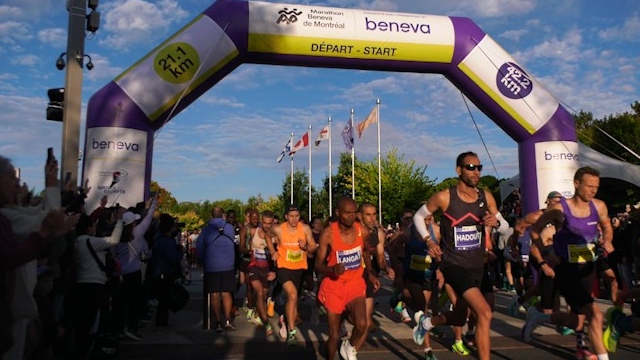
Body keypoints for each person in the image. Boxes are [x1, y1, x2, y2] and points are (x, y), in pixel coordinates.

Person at [411, 151, 508, 360]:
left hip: (477, 265)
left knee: (460, 316)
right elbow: (419, 217)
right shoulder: (445, 197)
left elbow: (506, 226)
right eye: (470, 167)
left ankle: (427, 323)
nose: (476, 172)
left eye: (479, 168)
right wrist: (428, 240)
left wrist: (497, 223)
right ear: (459, 170)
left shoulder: (486, 196)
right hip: (453, 264)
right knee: (484, 313)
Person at [527, 166, 614, 359]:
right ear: (576, 184)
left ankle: (540, 316)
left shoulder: (599, 206)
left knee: (576, 319)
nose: (593, 190)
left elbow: (607, 226)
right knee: (595, 315)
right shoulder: (559, 209)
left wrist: (607, 240)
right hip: (566, 268)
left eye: (596, 187)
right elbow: (535, 229)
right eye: (589, 186)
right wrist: (545, 251)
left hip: (587, 266)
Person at [315, 196, 379, 360]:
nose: (351, 216)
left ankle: (349, 346)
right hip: (334, 286)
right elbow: (318, 265)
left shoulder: (362, 232)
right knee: (335, 334)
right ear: (338, 213)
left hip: (355, 284)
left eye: (354, 213)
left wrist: (370, 273)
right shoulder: (328, 234)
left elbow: (365, 253)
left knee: (362, 324)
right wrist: (332, 269)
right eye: (347, 213)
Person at [71, 209, 125, 359]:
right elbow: (114, 240)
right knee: (95, 322)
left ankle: (82, 349)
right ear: (88, 228)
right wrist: (119, 221)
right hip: (95, 285)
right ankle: (91, 350)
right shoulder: (90, 241)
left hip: (80, 284)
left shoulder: (75, 242)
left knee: (82, 322)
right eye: (93, 226)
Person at [265, 204, 317, 345]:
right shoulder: (279, 229)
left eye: (297, 216)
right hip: (283, 268)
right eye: (291, 216)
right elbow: (267, 236)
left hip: (299, 269)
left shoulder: (305, 229)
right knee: (292, 294)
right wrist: (273, 252)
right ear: (286, 217)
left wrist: (305, 247)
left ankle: (284, 319)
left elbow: (313, 246)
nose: (294, 219)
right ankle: (291, 331)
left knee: (293, 299)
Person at [112, 196, 157, 341]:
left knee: (119, 304)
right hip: (134, 272)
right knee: (134, 303)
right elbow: (149, 217)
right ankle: (132, 327)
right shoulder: (137, 233)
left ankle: (118, 328)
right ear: (133, 223)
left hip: (119, 274)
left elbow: (112, 256)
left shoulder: (115, 236)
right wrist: (154, 202)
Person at [196, 207, 237, 331]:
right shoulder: (229, 228)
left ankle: (218, 322)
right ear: (223, 215)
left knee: (214, 293)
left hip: (211, 266)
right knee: (226, 293)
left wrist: (202, 260)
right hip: (228, 265)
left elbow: (200, 247)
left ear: (212, 216)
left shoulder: (206, 230)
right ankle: (228, 320)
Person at [357, 202, 394, 333]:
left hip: (371, 274)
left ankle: (355, 343)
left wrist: (387, 268)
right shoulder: (353, 231)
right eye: (368, 215)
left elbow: (380, 257)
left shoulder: (378, 233)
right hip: (353, 275)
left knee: (366, 322)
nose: (373, 218)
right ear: (360, 216)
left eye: (374, 214)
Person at [239, 209, 276, 336]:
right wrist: (248, 251)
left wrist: (275, 271)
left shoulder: (275, 235)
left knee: (264, 296)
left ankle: (257, 314)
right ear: (262, 221)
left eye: (269, 223)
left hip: (267, 269)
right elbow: (243, 247)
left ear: (272, 223)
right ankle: (266, 323)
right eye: (265, 223)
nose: (266, 226)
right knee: (259, 293)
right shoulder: (254, 231)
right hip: (254, 267)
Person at [148, 214, 183, 330]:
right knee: (164, 299)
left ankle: (162, 322)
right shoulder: (167, 241)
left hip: (158, 271)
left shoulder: (158, 238)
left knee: (163, 299)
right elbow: (173, 258)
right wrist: (179, 251)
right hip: (165, 272)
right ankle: (161, 323)